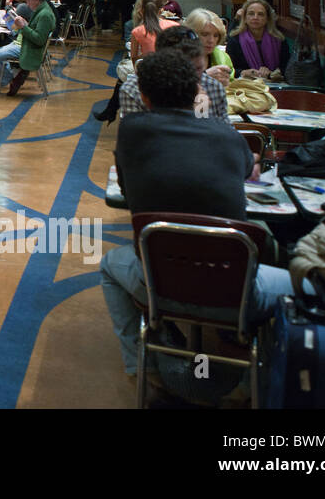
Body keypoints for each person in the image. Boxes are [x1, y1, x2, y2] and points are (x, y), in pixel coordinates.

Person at [100, 50, 301, 382]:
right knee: (301, 280)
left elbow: (126, 184)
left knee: (109, 266)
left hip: (158, 284)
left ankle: (142, 367)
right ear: (196, 93)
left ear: (145, 96)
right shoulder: (226, 135)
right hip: (235, 292)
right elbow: (245, 171)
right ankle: (266, 369)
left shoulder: (131, 132)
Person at [119, 27, 228, 121]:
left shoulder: (213, 87)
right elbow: (138, 140)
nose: (194, 78)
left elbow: (226, 139)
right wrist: (194, 115)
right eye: (185, 71)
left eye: (199, 68)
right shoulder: (134, 89)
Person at [0, 0, 55, 96]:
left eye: (28, 0)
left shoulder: (45, 15)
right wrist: (26, 25)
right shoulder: (42, 10)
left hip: (28, 47)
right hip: (24, 42)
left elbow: (39, 39)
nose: (27, 3)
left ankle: (7, 79)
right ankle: (10, 76)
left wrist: (23, 26)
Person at [226, 0, 290, 80]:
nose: (255, 17)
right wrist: (243, 72)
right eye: (251, 14)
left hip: (275, 84)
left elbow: (287, 67)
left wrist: (276, 72)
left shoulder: (279, 39)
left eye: (260, 14)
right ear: (245, 18)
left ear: (267, 18)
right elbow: (229, 70)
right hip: (245, 85)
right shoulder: (235, 40)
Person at [183, 7, 233, 84]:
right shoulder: (177, 58)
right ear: (191, 34)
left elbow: (231, 83)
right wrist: (205, 76)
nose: (211, 40)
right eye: (205, 34)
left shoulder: (223, 58)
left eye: (216, 35)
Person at [129, 0, 180, 65]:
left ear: (141, 11)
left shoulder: (137, 31)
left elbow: (134, 59)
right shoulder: (175, 26)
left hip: (149, 71)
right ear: (161, 11)